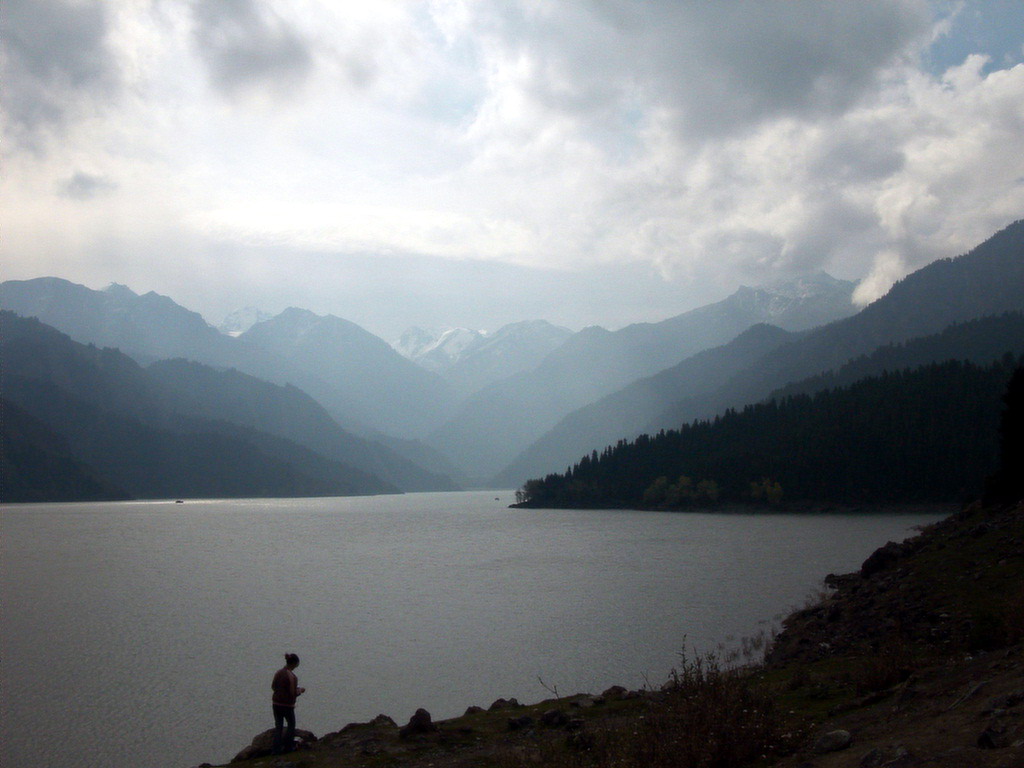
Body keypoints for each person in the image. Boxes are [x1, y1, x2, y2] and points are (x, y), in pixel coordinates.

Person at [271, 653, 306, 754]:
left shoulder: (278, 673)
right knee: (291, 725)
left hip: (276, 704)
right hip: (287, 705)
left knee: (279, 727)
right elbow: (293, 693)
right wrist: (300, 690)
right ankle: (288, 747)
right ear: (294, 663)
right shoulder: (292, 677)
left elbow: (273, 686)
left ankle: (276, 750)